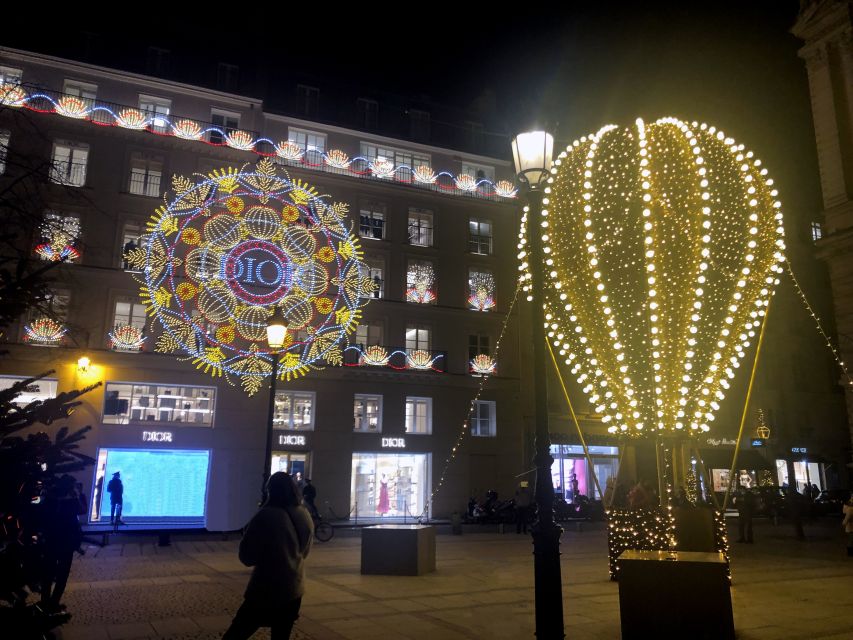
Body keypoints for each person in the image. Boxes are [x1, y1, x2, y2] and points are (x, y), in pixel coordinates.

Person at [223, 472, 313, 640]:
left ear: (270, 490)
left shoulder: (265, 515)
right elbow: (305, 551)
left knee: (236, 634)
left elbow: (247, 557)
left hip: (267, 588)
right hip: (294, 588)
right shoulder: (304, 514)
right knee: (281, 635)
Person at [40, 475, 84, 612]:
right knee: (62, 575)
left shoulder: (50, 496)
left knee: (48, 573)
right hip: (66, 541)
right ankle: (53, 602)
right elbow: (82, 510)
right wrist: (78, 496)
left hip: (52, 540)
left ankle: (45, 602)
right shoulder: (71, 499)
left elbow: (43, 514)